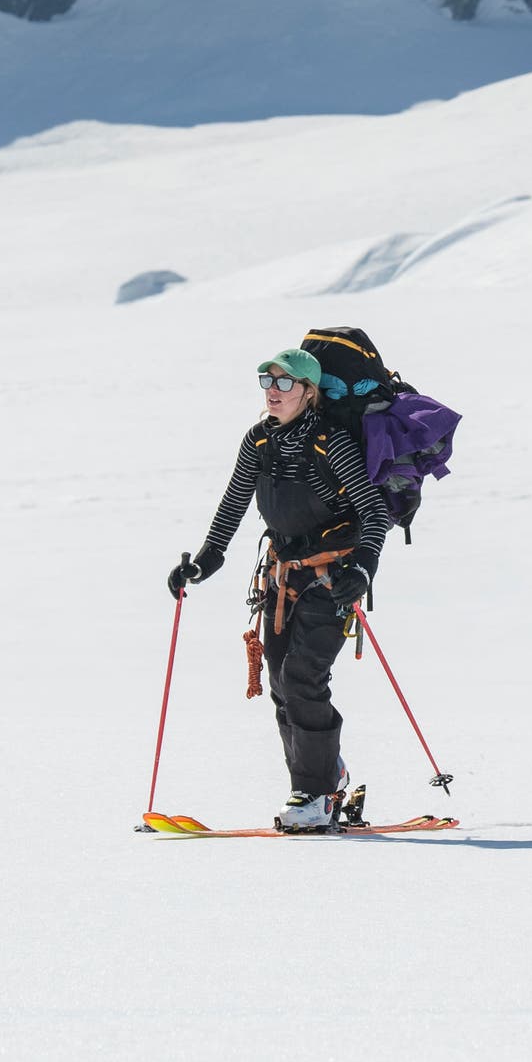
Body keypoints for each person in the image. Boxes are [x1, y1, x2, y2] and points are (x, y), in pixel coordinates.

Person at [170, 347, 391, 830]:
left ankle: (313, 795)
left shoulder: (331, 441)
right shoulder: (259, 441)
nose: (273, 390)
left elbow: (373, 512)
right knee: (280, 682)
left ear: (309, 392)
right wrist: (207, 559)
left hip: (332, 578)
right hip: (280, 578)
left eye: (286, 382)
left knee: (303, 678)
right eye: (267, 381)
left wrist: (365, 568)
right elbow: (233, 503)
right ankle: (317, 783)